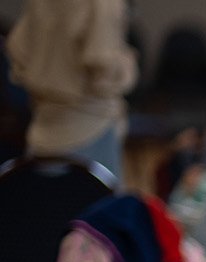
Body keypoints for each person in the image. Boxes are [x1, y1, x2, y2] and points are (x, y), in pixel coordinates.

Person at [4, 0, 137, 181]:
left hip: (44, 126)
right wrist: (127, 65)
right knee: (96, 205)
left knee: (42, 203)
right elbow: (102, 66)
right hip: (90, 128)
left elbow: (19, 50)